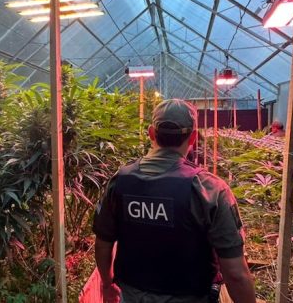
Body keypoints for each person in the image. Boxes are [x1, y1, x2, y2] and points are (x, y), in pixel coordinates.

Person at [93, 99, 256, 303]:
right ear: (193, 137)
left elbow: (103, 242)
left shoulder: (120, 181)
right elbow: (235, 273)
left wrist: (107, 284)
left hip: (132, 295)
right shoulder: (210, 189)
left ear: (151, 133)